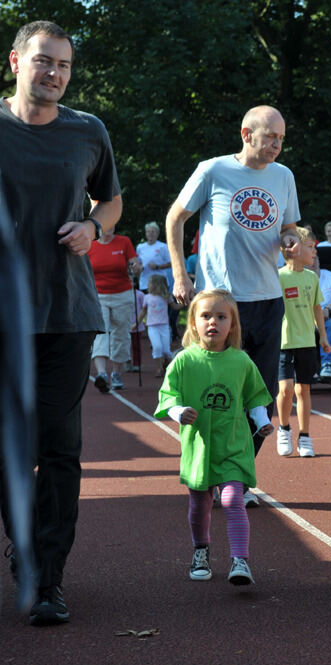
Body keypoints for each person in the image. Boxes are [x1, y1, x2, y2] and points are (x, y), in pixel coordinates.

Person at [0, 20, 122, 625]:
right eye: (44, 61)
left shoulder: (88, 131)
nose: (54, 74)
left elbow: (112, 200)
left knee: (60, 446)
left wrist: (94, 227)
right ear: (16, 61)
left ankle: (49, 577)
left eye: (64, 66)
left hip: (67, 316)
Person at [166, 104, 302, 508]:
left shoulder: (283, 177)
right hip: (223, 305)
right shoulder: (213, 170)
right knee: (218, 396)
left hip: (268, 300)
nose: (277, 145)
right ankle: (210, 472)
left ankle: (236, 480)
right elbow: (175, 218)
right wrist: (180, 274)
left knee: (257, 401)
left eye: (281, 138)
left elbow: (289, 227)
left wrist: (290, 240)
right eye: (269, 137)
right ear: (246, 134)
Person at [155, 289, 274, 586]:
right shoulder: (184, 361)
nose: (213, 322)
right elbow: (167, 397)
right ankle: (201, 550)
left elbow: (255, 396)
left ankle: (240, 560)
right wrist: (179, 412)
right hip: (199, 446)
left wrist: (261, 421)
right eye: (206, 316)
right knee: (200, 505)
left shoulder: (241, 361)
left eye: (221, 317)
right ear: (193, 323)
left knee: (233, 499)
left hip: (233, 443)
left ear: (232, 324)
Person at [275, 227, 331, 457]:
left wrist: (324, 336)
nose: (314, 252)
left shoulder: (311, 277)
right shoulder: (278, 276)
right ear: (294, 249)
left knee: (303, 389)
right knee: (286, 389)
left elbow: (317, 308)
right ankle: (284, 428)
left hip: (307, 341)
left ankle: (305, 436)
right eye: (310, 247)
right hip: (284, 342)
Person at [88, 224, 141, 391]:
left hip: (122, 294)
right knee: (100, 332)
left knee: (121, 333)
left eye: (112, 224)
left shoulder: (123, 242)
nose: (109, 227)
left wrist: (136, 267)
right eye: (106, 224)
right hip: (98, 295)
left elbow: (134, 263)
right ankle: (102, 374)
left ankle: (116, 372)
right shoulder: (91, 244)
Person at [137, 274, 178, 377]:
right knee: (157, 347)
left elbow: (175, 307)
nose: (148, 286)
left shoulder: (166, 297)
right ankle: (159, 368)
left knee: (166, 350)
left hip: (164, 326)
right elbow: (143, 311)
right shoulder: (147, 297)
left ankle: (167, 364)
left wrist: (187, 303)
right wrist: (136, 323)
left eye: (150, 283)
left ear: (156, 285)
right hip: (152, 326)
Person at [136, 221, 173, 292]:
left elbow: (171, 264)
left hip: (160, 283)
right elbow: (138, 263)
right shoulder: (140, 247)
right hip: (144, 283)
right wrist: (140, 267)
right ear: (146, 233)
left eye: (153, 232)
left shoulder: (163, 246)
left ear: (157, 233)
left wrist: (157, 267)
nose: (150, 234)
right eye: (148, 231)